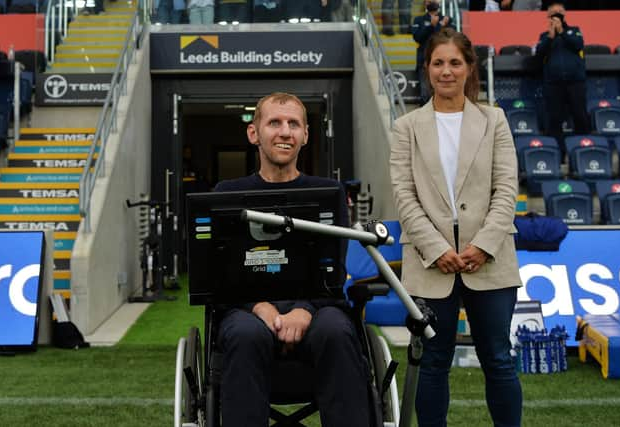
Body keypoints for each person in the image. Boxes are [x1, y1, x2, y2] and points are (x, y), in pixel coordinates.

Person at [389, 28, 523, 427]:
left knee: (499, 359)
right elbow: (404, 195)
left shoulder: (494, 119)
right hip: (431, 264)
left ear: (469, 69)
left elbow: (506, 189)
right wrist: (436, 248)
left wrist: (483, 245)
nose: (446, 71)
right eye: (438, 63)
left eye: (455, 63)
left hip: (491, 261)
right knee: (433, 362)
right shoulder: (406, 126)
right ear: (426, 68)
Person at [214, 92, 371, 427]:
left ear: (305, 135)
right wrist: (259, 306)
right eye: (274, 122)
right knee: (245, 334)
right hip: (247, 310)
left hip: (316, 308)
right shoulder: (225, 193)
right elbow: (218, 273)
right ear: (254, 133)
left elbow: (334, 268)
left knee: (336, 330)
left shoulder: (329, 193)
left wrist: (305, 309)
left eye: (293, 124)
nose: (284, 131)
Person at [535, 1, 589, 148]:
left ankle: (581, 148)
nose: (556, 16)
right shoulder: (544, 36)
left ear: (564, 15)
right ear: (548, 16)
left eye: (559, 12)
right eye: (553, 13)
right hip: (554, 85)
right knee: (554, 120)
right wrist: (550, 37)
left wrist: (562, 32)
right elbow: (538, 56)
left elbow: (578, 45)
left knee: (580, 116)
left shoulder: (574, 31)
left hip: (575, 83)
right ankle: (557, 152)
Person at [412, 0, 454, 105]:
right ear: (426, 4)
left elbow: (449, 38)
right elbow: (418, 37)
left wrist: (441, 26)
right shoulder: (419, 20)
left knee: (443, 92)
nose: (432, 3)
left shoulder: (446, 20)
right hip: (425, 61)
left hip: (444, 61)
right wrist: (431, 26)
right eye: (429, 1)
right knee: (425, 94)